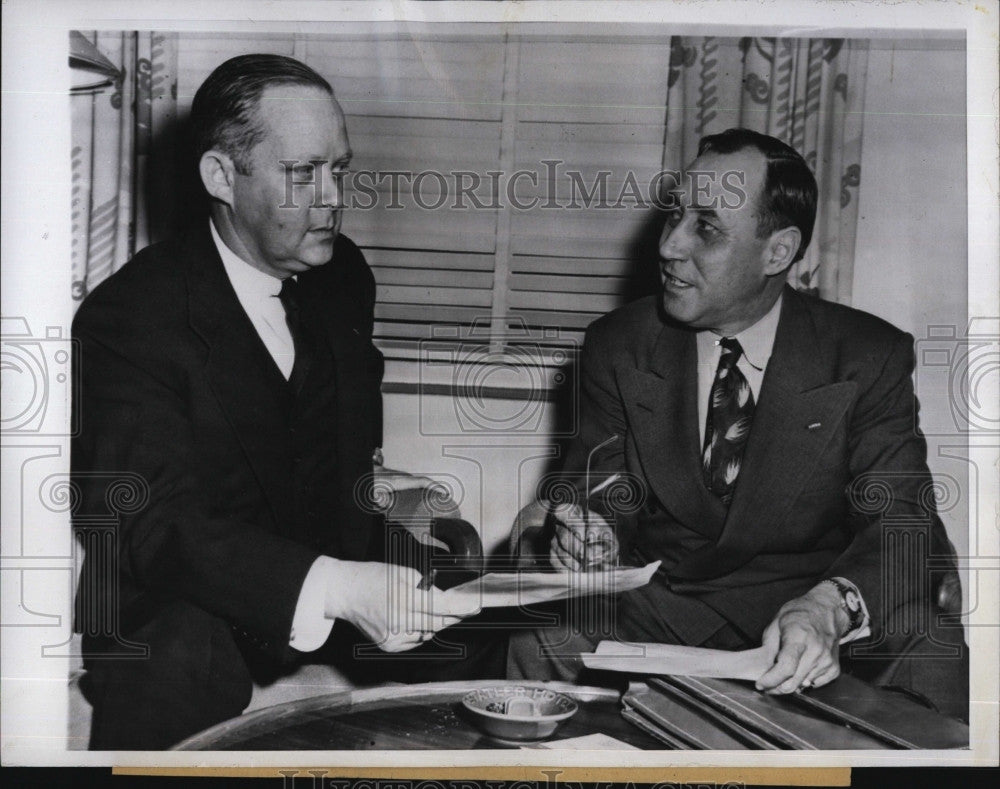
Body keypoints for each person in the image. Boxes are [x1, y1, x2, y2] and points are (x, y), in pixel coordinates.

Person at [71, 54, 471, 750]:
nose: (331, 199)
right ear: (221, 177)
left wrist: (375, 492)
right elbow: (152, 525)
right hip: (185, 598)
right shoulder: (133, 315)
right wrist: (340, 586)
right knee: (178, 659)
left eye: (339, 170)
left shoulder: (342, 273)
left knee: (487, 624)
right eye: (302, 173)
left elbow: (320, 436)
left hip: (322, 565)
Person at [507, 128, 968, 721]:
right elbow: (596, 487)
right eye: (675, 216)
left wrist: (832, 606)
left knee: (935, 650)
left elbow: (903, 518)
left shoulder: (864, 355)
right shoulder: (618, 344)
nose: (670, 246)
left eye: (706, 227)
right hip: (666, 604)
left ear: (777, 252)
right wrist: (592, 535)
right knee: (538, 638)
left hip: (809, 603)